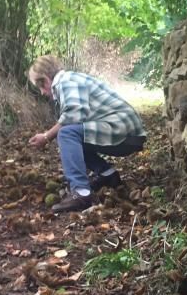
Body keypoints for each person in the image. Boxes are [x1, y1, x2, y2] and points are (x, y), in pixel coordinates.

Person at [28, 55, 146, 212]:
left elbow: (72, 115)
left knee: (66, 134)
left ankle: (81, 192)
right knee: (74, 133)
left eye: (40, 86)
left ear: (46, 79)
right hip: (126, 129)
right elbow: (78, 119)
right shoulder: (71, 80)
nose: (42, 92)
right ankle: (108, 175)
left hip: (123, 129)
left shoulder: (65, 81)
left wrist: (46, 136)